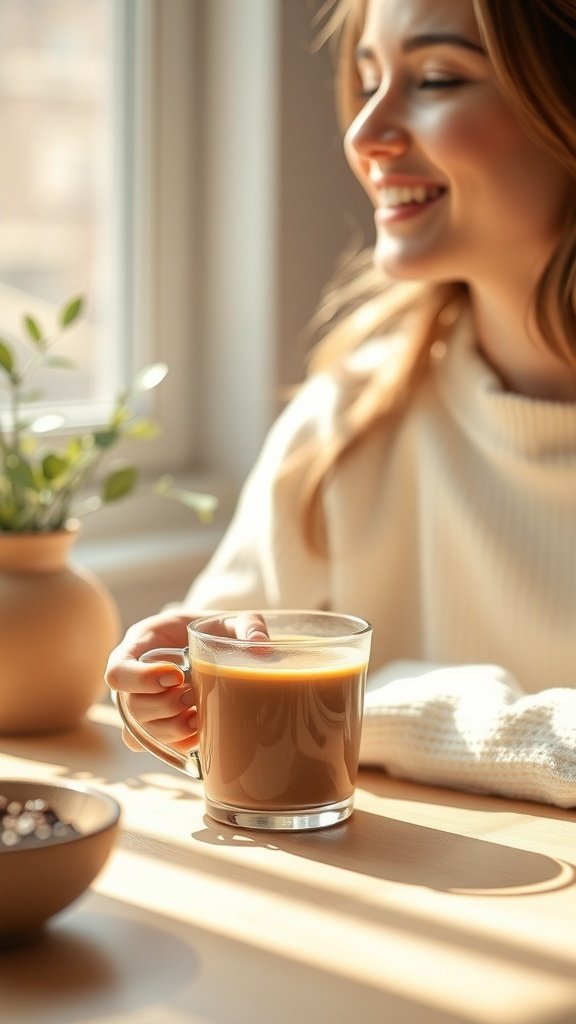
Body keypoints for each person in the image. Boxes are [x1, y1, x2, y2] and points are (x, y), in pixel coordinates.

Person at [106, 0, 576, 809]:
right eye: (366, 81)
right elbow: (217, 662)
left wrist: (378, 701)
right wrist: (159, 685)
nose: (363, 136)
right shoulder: (351, 417)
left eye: (434, 78)